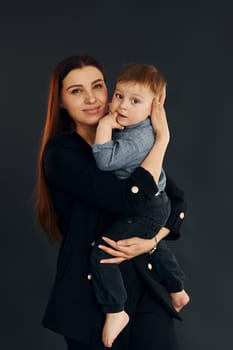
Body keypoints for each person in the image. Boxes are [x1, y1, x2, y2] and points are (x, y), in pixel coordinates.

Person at [36, 54, 187, 350]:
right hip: (91, 298)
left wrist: (152, 240)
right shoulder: (62, 155)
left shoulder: (129, 140)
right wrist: (162, 140)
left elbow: (175, 200)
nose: (91, 98)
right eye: (76, 91)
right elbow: (131, 201)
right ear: (62, 102)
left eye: (98, 86)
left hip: (145, 285)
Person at [91, 63, 189, 347]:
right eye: (119, 95)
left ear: (155, 107)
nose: (122, 105)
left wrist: (105, 125)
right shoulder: (138, 127)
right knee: (151, 244)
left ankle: (115, 310)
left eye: (135, 101)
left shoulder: (139, 139)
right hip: (156, 205)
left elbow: (104, 161)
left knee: (102, 252)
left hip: (146, 207)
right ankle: (177, 288)